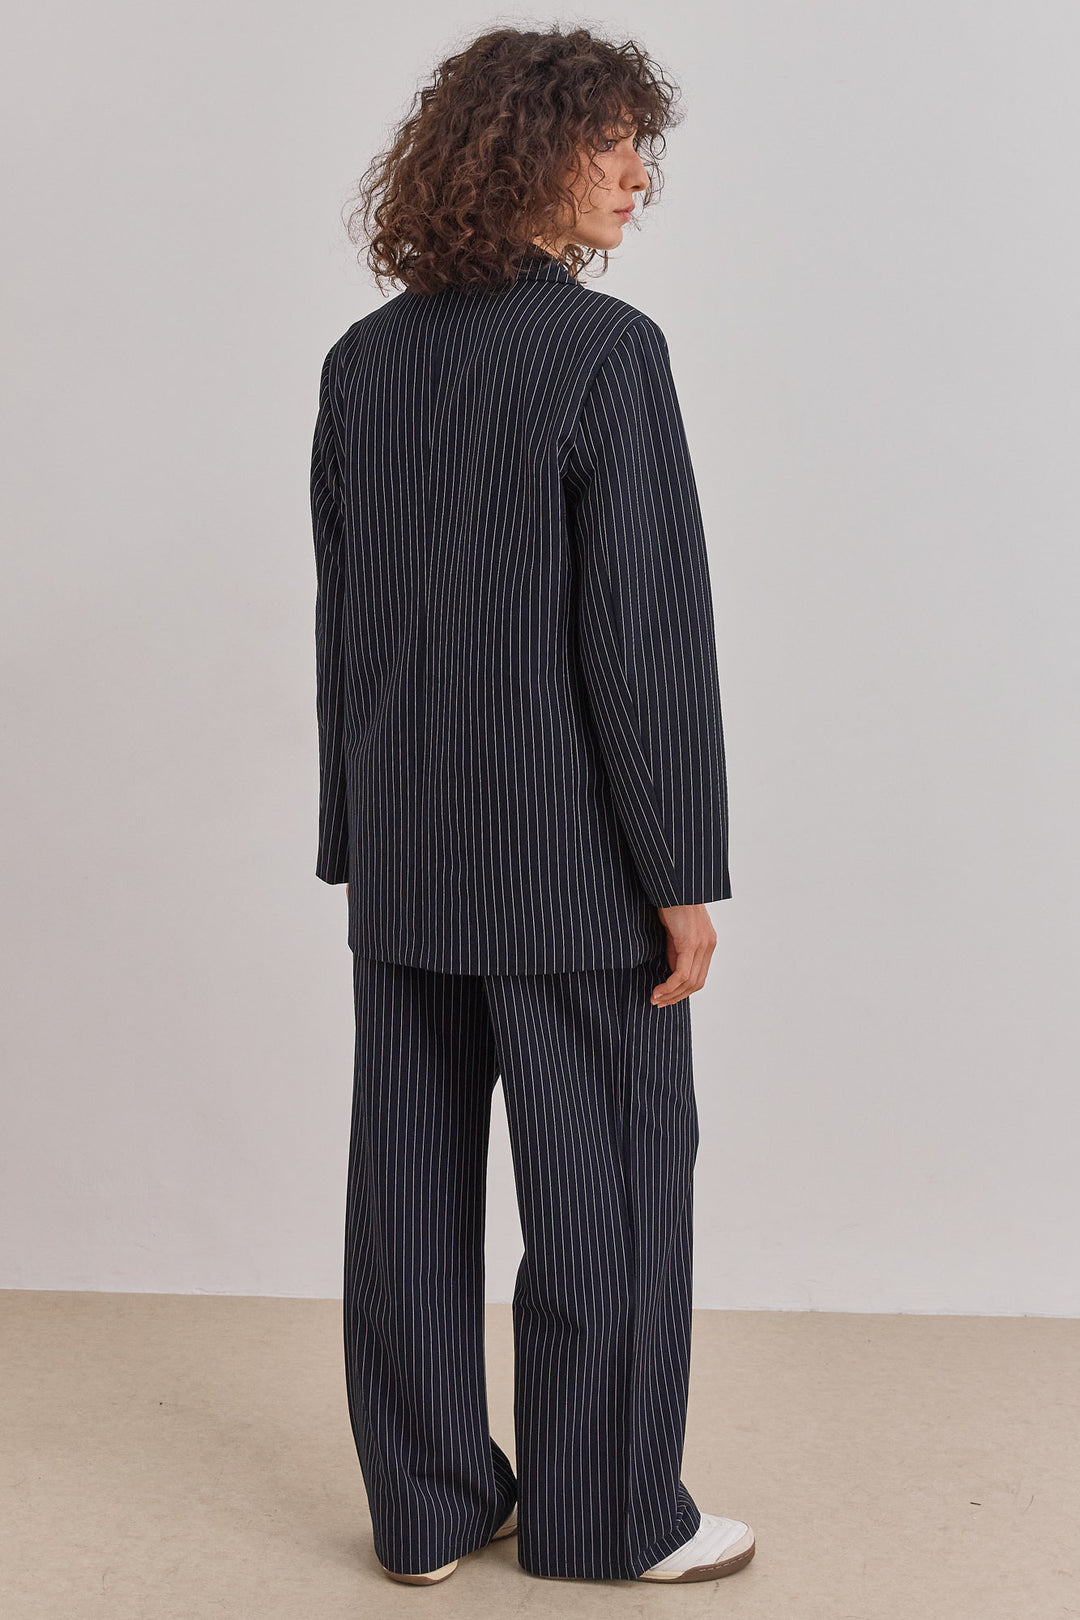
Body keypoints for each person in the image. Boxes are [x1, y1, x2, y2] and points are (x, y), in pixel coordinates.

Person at [309, 23, 753, 1588]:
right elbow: (644, 640)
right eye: (612, 140)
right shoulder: (603, 354)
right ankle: (607, 1514)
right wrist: (681, 871)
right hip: (573, 872)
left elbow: (349, 627)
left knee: (407, 1193)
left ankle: (431, 1508)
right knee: (610, 1193)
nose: (640, 173)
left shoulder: (364, 364)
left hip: (411, 860)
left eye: (643, 143)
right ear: (527, 153)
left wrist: (354, 838)